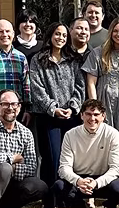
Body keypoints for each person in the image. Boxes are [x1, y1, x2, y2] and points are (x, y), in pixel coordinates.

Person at [28, 21, 84, 185]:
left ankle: (69, 192)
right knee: (52, 157)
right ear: (50, 36)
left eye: (64, 35)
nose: (61, 38)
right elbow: (36, 88)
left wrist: (73, 107)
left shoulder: (74, 60)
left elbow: (80, 86)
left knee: (70, 157)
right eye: (57, 34)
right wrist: (53, 108)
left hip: (70, 116)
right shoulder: (38, 59)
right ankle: (50, 194)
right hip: (47, 117)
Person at [53, 98, 119, 208]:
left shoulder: (112, 134)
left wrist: (96, 183)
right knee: (59, 186)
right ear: (81, 115)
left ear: (103, 116)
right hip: (80, 180)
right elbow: (64, 168)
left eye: (96, 114)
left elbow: (116, 169)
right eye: (88, 114)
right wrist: (78, 181)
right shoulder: (70, 135)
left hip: (103, 180)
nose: (92, 118)